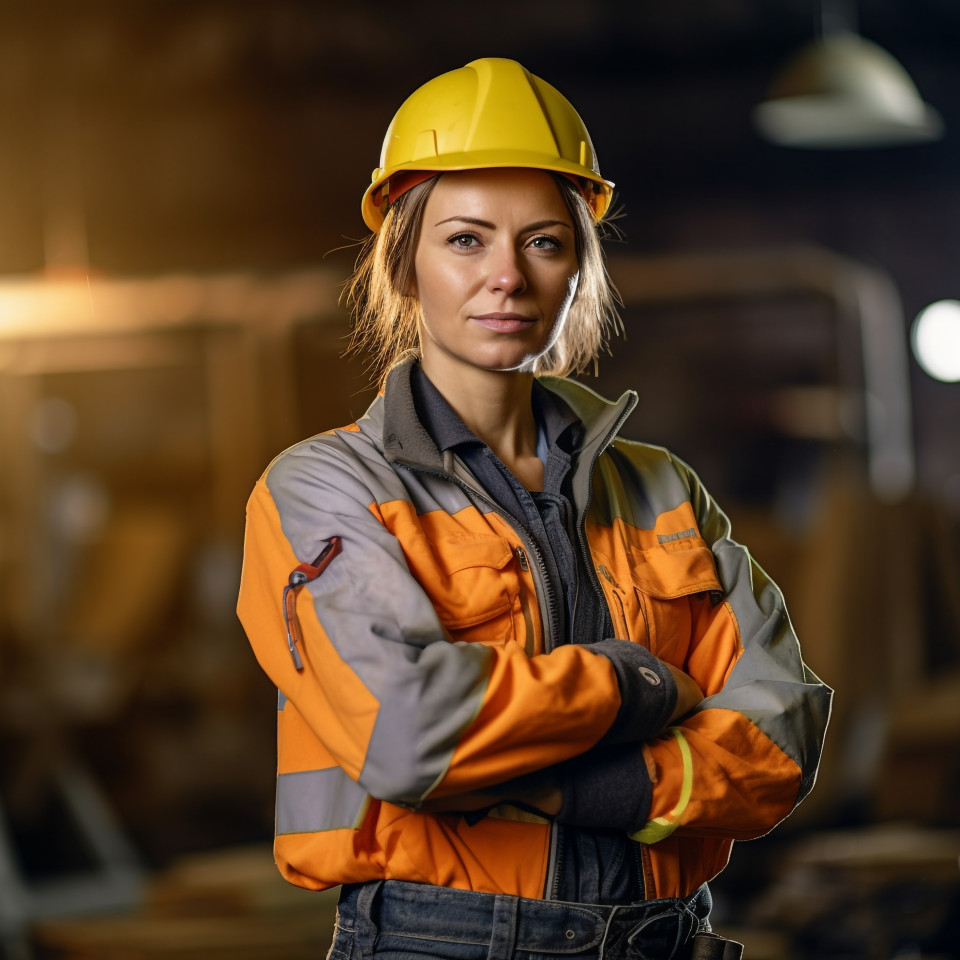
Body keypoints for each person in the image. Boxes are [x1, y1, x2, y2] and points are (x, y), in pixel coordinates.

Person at [237, 57, 832, 960]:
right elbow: (408, 734)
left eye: (544, 242)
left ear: (578, 272)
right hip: (441, 941)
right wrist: (634, 687)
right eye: (465, 240)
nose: (506, 276)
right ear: (404, 265)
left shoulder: (661, 487)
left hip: (665, 940)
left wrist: (581, 790)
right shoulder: (327, 488)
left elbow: (780, 739)